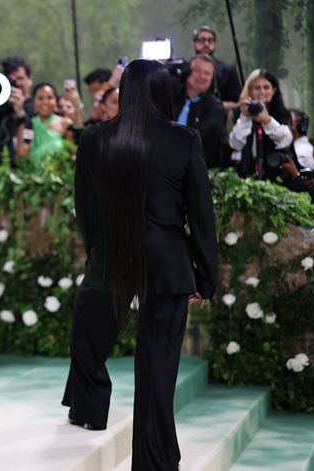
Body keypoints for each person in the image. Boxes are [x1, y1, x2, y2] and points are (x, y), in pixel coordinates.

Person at [62, 59, 218, 471]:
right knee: (158, 367)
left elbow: (87, 210)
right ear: (165, 92)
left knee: (88, 328)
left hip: (112, 257)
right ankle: (155, 461)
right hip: (168, 261)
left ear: (125, 91)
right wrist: (206, 275)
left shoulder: (95, 139)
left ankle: (89, 407)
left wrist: (98, 254)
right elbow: (201, 215)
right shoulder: (183, 139)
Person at [229, 69, 293, 180]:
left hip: (275, 175)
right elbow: (235, 144)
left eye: (266, 87)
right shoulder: (238, 113)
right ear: (250, 91)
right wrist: (245, 117)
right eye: (257, 88)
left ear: (274, 90)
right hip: (245, 174)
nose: (262, 92)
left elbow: (285, 141)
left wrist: (267, 120)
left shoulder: (281, 112)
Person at [174, 54, 227, 169]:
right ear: (187, 72)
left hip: (197, 169)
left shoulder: (216, 108)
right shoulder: (170, 97)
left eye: (207, 73)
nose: (201, 76)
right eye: (197, 71)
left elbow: (201, 138)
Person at [16, 82, 72, 165]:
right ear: (34, 101)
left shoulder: (65, 123)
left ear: (56, 100)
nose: (45, 102)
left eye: (49, 98)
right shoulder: (27, 126)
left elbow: (72, 154)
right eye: (40, 98)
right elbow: (20, 158)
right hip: (33, 176)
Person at [191, 25, 241, 112]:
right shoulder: (186, 69)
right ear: (194, 44)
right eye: (202, 40)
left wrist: (216, 106)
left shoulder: (228, 70)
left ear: (215, 44)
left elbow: (237, 103)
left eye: (210, 41)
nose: (206, 44)